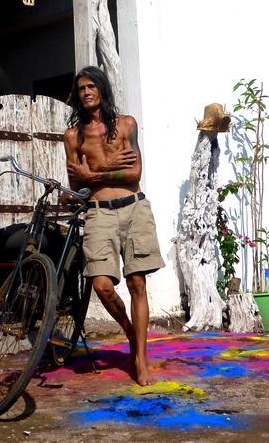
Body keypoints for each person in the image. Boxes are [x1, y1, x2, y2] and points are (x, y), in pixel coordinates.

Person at [63, 66, 164, 386]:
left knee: (137, 283)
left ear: (103, 89)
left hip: (134, 208)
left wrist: (96, 173)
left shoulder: (126, 125)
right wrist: (96, 177)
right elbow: (76, 184)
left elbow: (133, 175)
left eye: (92, 86)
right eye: (81, 88)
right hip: (98, 212)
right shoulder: (73, 137)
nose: (86, 92)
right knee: (101, 285)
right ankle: (130, 332)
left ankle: (141, 358)